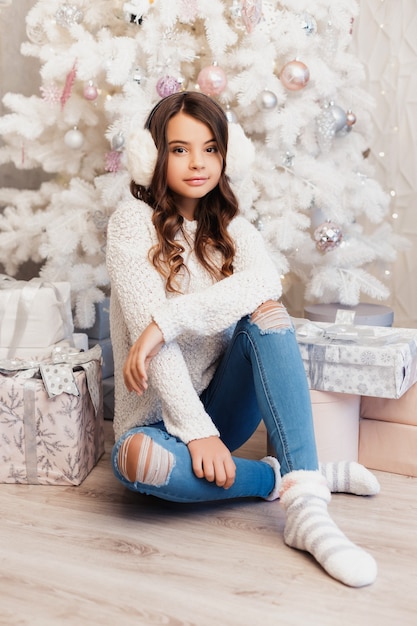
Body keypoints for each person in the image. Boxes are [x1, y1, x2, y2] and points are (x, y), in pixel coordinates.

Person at [106, 91, 380, 588]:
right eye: (180, 149)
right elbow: (158, 359)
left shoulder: (235, 229)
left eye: (210, 149)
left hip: (222, 412)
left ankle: (307, 510)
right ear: (153, 155)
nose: (197, 163)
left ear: (227, 155)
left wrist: (165, 321)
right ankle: (289, 477)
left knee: (270, 316)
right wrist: (196, 431)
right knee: (138, 463)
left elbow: (263, 285)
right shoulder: (131, 223)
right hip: (157, 423)